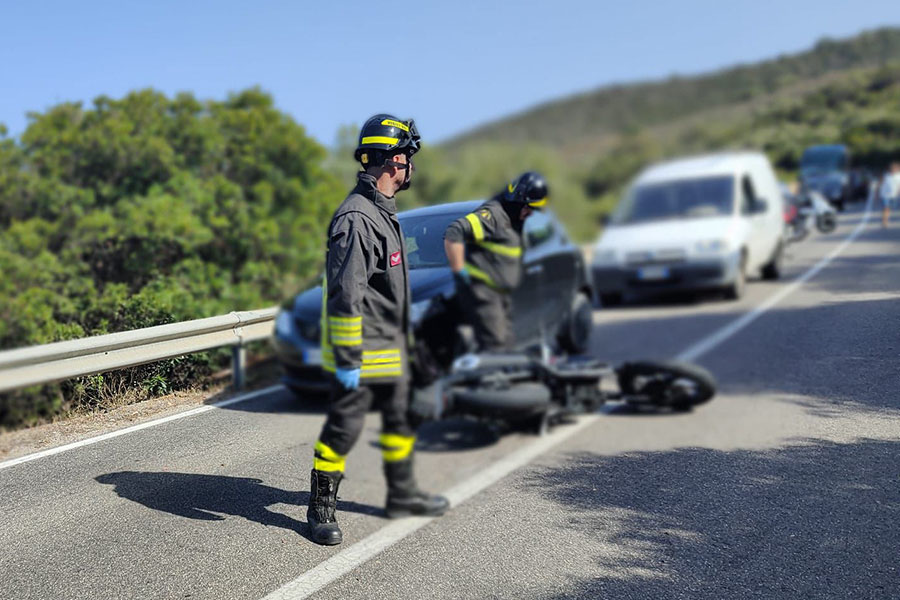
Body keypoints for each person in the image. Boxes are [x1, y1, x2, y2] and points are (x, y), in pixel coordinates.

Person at [307, 114, 448, 546]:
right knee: (344, 430)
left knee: (402, 421)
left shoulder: (383, 213)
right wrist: (348, 360)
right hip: (362, 352)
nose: (410, 165)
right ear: (391, 161)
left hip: (392, 347)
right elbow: (346, 297)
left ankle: (403, 495)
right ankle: (320, 508)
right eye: (406, 156)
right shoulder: (357, 219)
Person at [443, 171, 549, 351]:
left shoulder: (514, 219)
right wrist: (458, 268)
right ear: (518, 202)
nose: (531, 214)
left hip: (501, 294)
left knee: (507, 344)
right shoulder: (493, 216)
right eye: (529, 208)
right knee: (495, 345)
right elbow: (454, 232)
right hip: (484, 292)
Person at [880, 162, 900, 228]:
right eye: (892, 168)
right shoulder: (886, 176)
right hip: (885, 195)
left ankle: (886, 220)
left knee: (889, 209)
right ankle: (885, 222)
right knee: (886, 209)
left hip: (894, 196)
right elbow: (880, 184)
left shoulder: (898, 176)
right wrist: (877, 195)